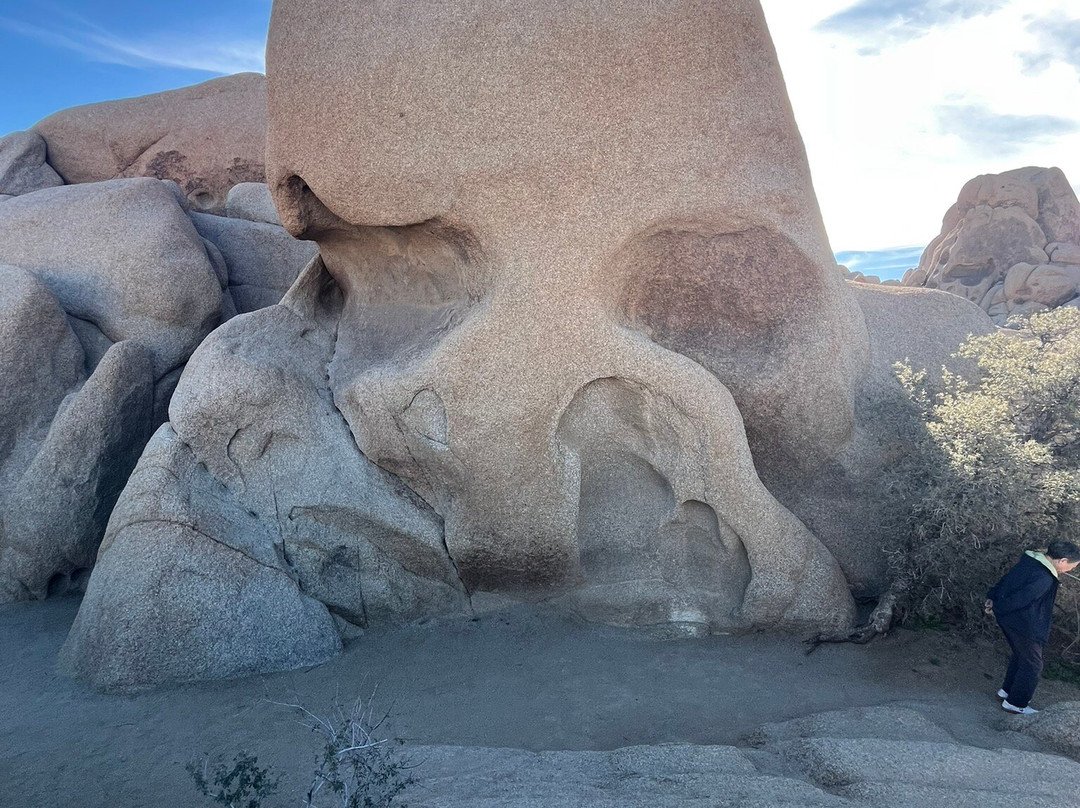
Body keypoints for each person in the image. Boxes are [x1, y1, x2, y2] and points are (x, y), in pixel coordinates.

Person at [985, 540, 1080, 714]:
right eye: (1072, 566)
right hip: (1025, 625)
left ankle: (1006, 692)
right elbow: (1021, 599)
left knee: (1021, 657)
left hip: (1013, 620)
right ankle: (1016, 703)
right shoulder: (1044, 577)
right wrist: (997, 608)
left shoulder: (1030, 561)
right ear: (1063, 561)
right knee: (1033, 665)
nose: (1071, 570)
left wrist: (992, 598)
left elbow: (1007, 581)